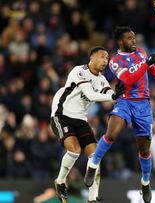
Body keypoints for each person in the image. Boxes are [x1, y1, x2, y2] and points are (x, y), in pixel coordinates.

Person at [84, 26, 155, 203]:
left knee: (144, 149)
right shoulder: (115, 61)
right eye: (130, 38)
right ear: (121, 41)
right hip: (125, 102)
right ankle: (93, 165)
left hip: (143, 106)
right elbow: (128, 80)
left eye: (134, 38)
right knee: (111, 134)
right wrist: (146, 63)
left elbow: (151, 70)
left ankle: (145, 183)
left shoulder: (141, 52)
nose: (134, 41)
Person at [50, 46, 125, 203]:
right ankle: (61, 181)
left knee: (95, 156)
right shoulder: (79, 71)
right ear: (91, 58)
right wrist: (113, 95)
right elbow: (91, 94)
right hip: (62, 114)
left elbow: (107, 94)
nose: (105, 60)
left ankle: (93, 198)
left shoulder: (102, 80)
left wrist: (118, 94)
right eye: (102, 57)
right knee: (75, 151)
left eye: (107, 58)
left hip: (80, 119)